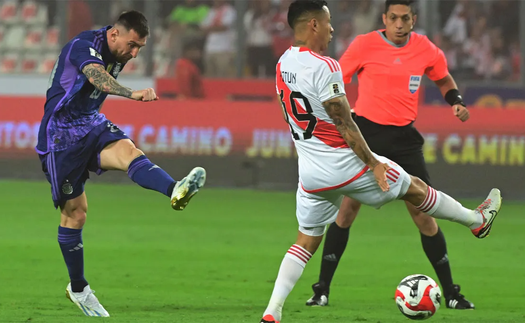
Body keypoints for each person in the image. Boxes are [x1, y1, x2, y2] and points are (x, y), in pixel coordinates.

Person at [260, 1, 501, 322]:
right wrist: (373, 163)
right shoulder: (326, 65)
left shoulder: (282, 63)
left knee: (305, 241)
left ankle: (272, 312)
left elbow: (289, 113)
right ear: (314, 25)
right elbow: (345, 122)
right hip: (340, 163)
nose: (333, 30)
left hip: (309, 171)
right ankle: (476, 221)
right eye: (328, 23)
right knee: (415, 189)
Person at [306, 0, 478, 310]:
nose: (399, 23)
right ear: (385, 18)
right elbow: (336, 78)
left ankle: (451, 293)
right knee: (346, 212)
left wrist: (456, 100)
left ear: (414, 19)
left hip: (404, 140)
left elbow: (443, 77)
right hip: (366, 136)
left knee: (423, 215)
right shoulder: (364, 45)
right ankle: (321, 290)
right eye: (393, 18)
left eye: (405, 18)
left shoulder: (425, 48)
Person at [35, 11, 206, 317]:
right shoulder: (83, 45)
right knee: (76, 214)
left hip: (91, 124)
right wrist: (131, 93)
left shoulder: (120, 49)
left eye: (139, 47)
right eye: (132, 45)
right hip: (59, 137)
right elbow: (96, 77)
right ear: (114, 34)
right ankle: (78, 289)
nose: (134, 53)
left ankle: (175, 189)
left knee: (129, 152)